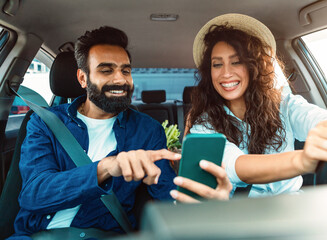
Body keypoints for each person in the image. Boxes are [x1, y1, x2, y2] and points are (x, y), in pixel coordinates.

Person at [9, 26, 231, 239]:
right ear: (83, 78)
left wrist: (201, 204)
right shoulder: (44, 122)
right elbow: (34, 194)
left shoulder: (147, 130)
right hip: (35, 236)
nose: (120, 79)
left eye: (125, 70)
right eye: (106, 70)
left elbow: (166, 194)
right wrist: (105, 168)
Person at [185, 13, 327, 198]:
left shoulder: (285, 105)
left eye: (236, 62)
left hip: (295, 208)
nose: (226, 73)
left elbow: (317, 119)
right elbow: (235, 166)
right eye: (217, 64)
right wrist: (302, 160)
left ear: (254, 66)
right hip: (242, 215)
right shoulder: (204, 125)